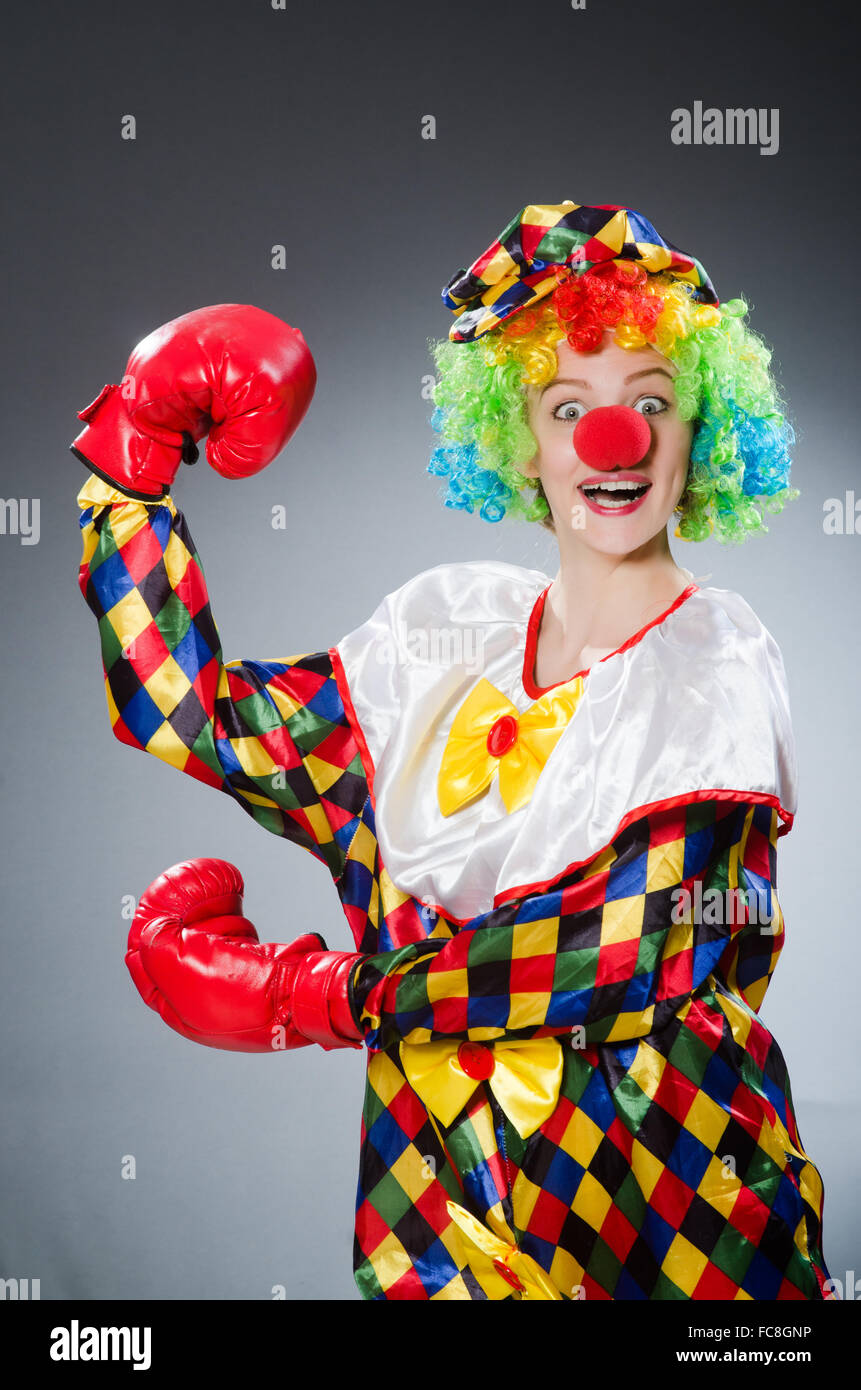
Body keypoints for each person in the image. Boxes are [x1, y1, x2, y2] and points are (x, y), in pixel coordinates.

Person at [72, 200, 833, 1301]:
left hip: (671, 1221)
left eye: (650, 403)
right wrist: (132, 467)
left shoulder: (716, 665)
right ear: (520, 440)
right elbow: (188, 713)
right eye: (568, 406)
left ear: (702, 429)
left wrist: (312, 996)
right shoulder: (443, 641)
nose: (610, 442)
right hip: (445, 1226)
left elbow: (607, 949)